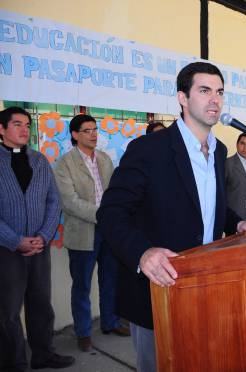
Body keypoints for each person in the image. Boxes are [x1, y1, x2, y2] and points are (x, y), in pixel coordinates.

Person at [96, 62, 246, 372]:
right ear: (183, 98)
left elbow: (208, 206)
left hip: (208, 285)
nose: (215, 100)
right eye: (204, 91)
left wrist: (236, 223)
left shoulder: (218, 149)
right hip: (159, 289)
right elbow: (111, 212)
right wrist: (142, 253)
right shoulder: (148, 149)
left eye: (220, 92)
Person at [0, 107, 75, 370]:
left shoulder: (40, 160)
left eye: (27, 125)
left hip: (39, 247)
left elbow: (54, 201)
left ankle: (43, 354)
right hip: (7, 250)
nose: (24, 129)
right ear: (1, 129)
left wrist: (43, 235)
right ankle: (14, 362)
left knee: (41, 303)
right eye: (17, 124)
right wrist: (14, 240)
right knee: (8, 311)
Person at [54, 114, 129, 352]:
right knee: (82, 286)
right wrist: (103, 214)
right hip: (82, 233)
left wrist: (113, 216)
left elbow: (115, 192)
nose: (94, 134)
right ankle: (83, 332)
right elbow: (69, 202)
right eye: (87, 130)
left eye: (95, 130)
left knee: (110, 279)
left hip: (108, 232)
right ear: (75, 135)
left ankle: (110, 321)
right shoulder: (65, 164)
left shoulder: (105, 160)